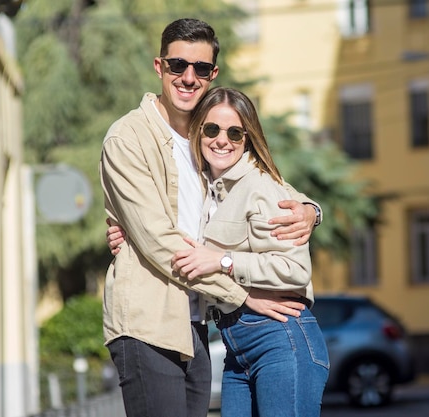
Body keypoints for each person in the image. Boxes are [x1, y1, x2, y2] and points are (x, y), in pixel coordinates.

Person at [99, 18, 322, 417]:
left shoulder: (209, 141)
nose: (188, 77)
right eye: (177, 65)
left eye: (200, 68)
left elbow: (265, 183)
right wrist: (242, 295)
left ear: (213, 73)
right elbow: (158, 242)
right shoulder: (128, 138)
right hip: (149, 323)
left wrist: (310, 210)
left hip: (199, 325)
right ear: (159, 66)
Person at [171, 86, 329, 417]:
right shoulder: (207, 190)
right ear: (199, 131)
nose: (222, 140)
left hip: (280, 339)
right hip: (236, 347)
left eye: (235, 133)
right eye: (212, 129)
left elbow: (294, 269)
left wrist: (224, 261)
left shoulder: (260, 186)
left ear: (248, 139)